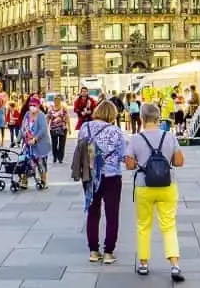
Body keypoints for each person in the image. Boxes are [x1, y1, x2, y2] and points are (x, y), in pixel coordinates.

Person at [125, 103, 186, 282]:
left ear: (142, 119)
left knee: (144, 225)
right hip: (167, 186)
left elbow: (129, 165)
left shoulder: (136, 139)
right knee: (168, 225)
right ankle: (175, 264)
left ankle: (143, 264)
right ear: (158, 118)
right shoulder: (169, 136)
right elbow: (179, 162)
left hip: (144, 186)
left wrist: (138, 162)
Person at [79, 99, 127, 264]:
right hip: (111, 177)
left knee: (93, 212)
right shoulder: (116, 132)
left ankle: (93, 251)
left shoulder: (85, 128)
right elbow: (123, 156)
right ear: (113, 115)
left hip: (90, 176)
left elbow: (82, 149)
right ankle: (108, 252)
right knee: (111, 214)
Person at [19, 100, 50, 187]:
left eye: (34, 105)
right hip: (27, 143)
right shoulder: (27, 114)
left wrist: (35, 139)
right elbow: (23, 127)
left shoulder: (41, 115)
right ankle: (24, 181)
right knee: (25, 161)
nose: (32, 106)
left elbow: (43, 129)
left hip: (40, 144)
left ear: (38, 106)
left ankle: (44, 181)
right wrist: (18, 139)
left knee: (41, 162)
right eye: (31, 105)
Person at [48, 97, 69, 164]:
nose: (56, 102)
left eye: (58, 100)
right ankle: (55, 156)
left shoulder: (63, 108)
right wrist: (46, 126)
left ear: (60, 101)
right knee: (54, 144)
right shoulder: (51, 108)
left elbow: (67, 117)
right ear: (54, 101)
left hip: (63, 128)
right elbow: (48, 118)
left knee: (62, 144)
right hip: (53, 128)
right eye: (55, 100)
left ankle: (60, 158)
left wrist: (69, 127)